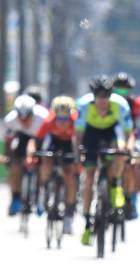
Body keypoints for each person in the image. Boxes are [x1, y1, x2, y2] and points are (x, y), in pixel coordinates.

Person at [76, 75, 133, 246]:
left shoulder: (120, 105)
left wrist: (127, 149)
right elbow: (78, 135)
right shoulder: (84, 105)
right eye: (99, 97)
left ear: (110, 95)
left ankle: (115, 183)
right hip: (91, 134)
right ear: (94, 96)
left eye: (105, 97)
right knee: (89, 179)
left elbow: (128, 134)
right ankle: (87, 224)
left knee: (120, 149)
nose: (102, 101)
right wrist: (78, 153)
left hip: (111, 132)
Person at [36, 96, 79, 233]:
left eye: (66, 119)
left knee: (69, 177)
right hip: (53, 141)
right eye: (59, 119)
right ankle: (43, 191)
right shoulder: (48, 121)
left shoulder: (76, 121)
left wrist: (78, 160)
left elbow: (79, 142)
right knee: (46, 160)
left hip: (69, 143)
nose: (62, 122)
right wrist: (37, 156)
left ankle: (68, 215)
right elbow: (39, 139)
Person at [3, 94, 49, 216]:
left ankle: (40, 195)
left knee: (43, 161)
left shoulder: (44, 117)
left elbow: (48, 140)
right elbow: (8, 141)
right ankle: (15, 197)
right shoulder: (10, 120)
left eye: (27, 117)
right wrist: (8, 158)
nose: (24, 121)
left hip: (40, 136)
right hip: (21, 136)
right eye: (21, 118)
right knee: (15, 164)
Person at [113, 72, 140, 220]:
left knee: (133, 164)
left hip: (132, 135)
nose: (122, 92)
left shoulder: (136, 103)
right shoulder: (110, 102)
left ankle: (131, 199)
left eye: (125, 89)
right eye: (118, 89)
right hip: (114, 134)